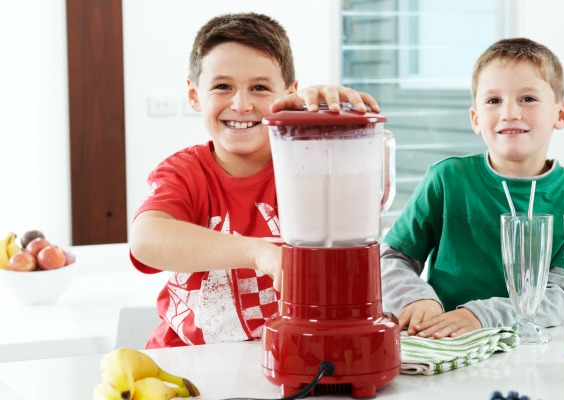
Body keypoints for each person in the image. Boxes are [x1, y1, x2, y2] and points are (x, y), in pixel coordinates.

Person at [128, 12, 379, 348]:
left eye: (260, 88)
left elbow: (359, 208)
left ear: (290, 94)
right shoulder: (183, 173)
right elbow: (145, 240)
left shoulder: (310, 166)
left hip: (288, 353)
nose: (241, 104)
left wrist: (333, 123)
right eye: (222, 86)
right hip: (188, 360)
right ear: (194, 94)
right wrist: (256, 252)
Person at [380, 38, 564, 339]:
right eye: (493, 101)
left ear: (560, 114)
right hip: (444, 345)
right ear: (476, 118)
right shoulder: (446, 179)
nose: (510, 112)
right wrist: (416, 298)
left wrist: (481, 315)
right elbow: (390, 259)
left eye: (528, 98)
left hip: (533, 352)